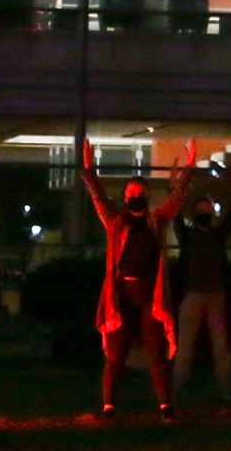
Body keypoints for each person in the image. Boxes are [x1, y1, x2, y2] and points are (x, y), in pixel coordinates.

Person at [79, 139, 192, 420]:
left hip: (150, 296)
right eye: (130, 191)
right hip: (121, 295)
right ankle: (108, 406)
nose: (134, 195)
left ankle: (165, 405)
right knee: (115, 355)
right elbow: (98, 198)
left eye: (139, 191)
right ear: (125, 197)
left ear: (146, 195)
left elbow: (176, 201)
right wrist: (88, 168)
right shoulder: (115, 221)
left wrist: (189, 169)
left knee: (156, 353)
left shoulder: (156, 219)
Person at [171, 158, 231, 403]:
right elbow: (174, 212)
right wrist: (177, 186)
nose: (205, 211)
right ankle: (175, 390)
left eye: (208, 208)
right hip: (193, 294)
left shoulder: (218, 235)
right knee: (185, 347)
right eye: (201, 208)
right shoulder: (187, 235)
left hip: (216, 295)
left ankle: (225, 389)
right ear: (196, 213)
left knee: (220, 346)